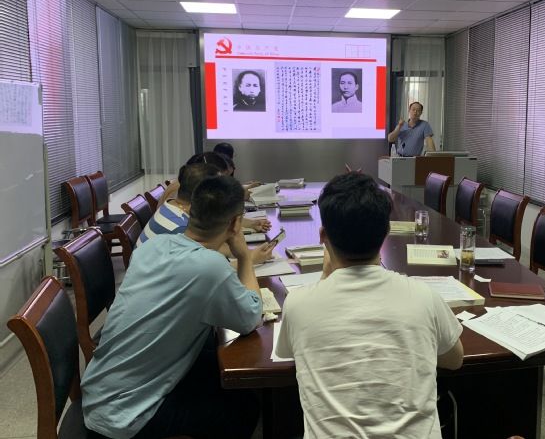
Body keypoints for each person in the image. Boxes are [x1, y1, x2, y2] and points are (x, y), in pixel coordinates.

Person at [276, 172, 464, 438]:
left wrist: (326, 277)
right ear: (386, 232)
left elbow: (290, 353)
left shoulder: (297, 304)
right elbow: (454, 360)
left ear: (323, 236)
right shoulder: (424, 297)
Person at [82, 175, 262, 439]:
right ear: (236, 224)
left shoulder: (155, 245)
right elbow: (251, 318)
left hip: (100, 391)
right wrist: (245, 256)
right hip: (126, 417)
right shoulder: (210, 267)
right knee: (244, 407)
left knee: (217, 362)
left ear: (189, 210)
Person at [141, 162, 274, 263]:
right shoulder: (181, 229)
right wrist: (250, 258)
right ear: (204, 194)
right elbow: (211, 270)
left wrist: (249, 225)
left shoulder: (173, 206)